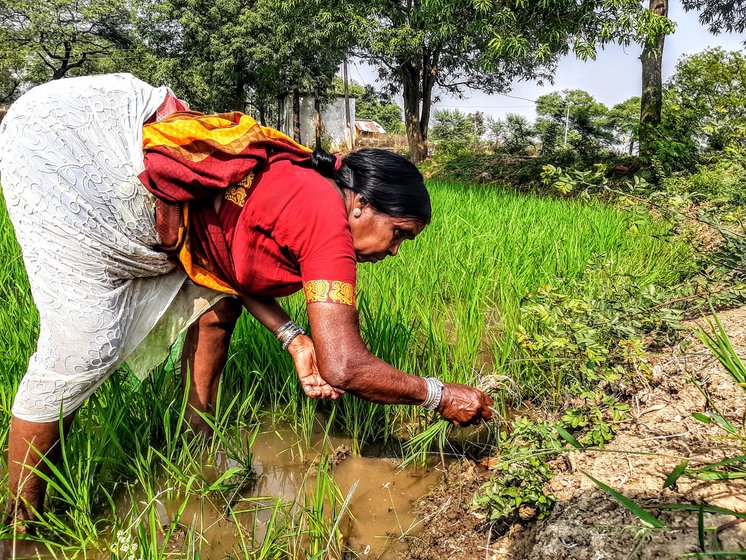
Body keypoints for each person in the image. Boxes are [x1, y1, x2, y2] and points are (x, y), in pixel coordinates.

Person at [0, 73, 493, 528]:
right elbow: (344, 364)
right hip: (73, 145)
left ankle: (196, 442)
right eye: (398, 234)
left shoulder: (309, 188)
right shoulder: (326, 219)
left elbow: (234, 272)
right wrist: (439, 394)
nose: (394, 251)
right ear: (361, 204)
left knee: (219, 304)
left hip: (103, 121)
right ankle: (20, 520)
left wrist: (296, 340)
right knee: (84, 345)